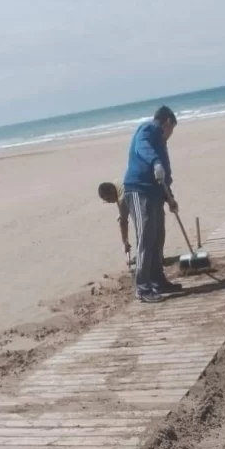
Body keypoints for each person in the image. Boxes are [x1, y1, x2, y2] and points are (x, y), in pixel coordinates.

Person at [123, 106, 182, 303]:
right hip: (139, 190)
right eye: (171, 130)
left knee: (158, 237)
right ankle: (142, 287)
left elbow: (164, 178)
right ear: (167, 122)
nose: (170, 135)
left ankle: (158, 281)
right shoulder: (149, 129)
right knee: (146, 237)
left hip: (156, 194)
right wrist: (156, 162)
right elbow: (142, 146)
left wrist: (170, 198)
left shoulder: (161, 142)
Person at [98, 180, 131, 255]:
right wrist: (122, 213)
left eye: (108, 199)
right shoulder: (116, 184)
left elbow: (123, 223)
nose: (109, 202)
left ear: (112, 191)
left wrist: (125, 242)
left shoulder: (122, 198)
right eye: (106, 200)